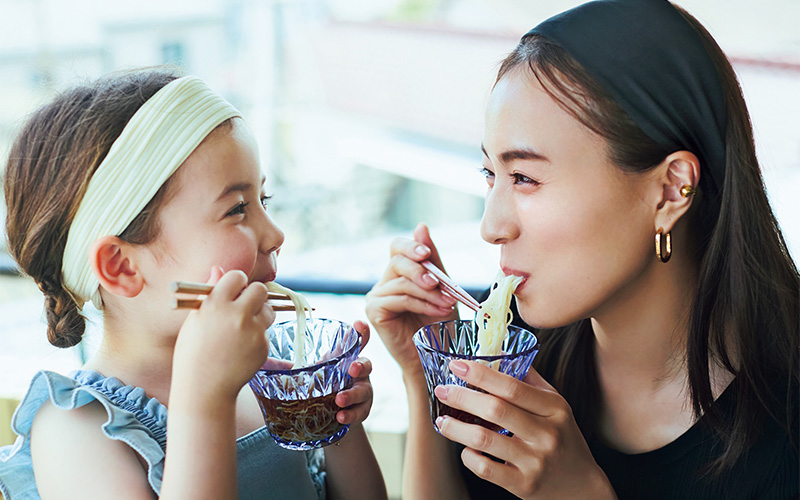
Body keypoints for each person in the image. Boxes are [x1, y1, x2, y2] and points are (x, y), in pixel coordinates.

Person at [365, 0, 799, 498]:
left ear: (669, 190)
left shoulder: (785, 426)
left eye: (525, 177)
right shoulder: (512, 353)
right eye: (491, 175)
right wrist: (427, 380)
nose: (491, 226)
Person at [0, 68, 387, 500]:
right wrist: (205, 398)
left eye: (265, 199)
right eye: (237, 208)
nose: (275, 235)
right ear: (122, 267)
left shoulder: (265, 375)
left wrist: (338, 425)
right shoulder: (76, 428)